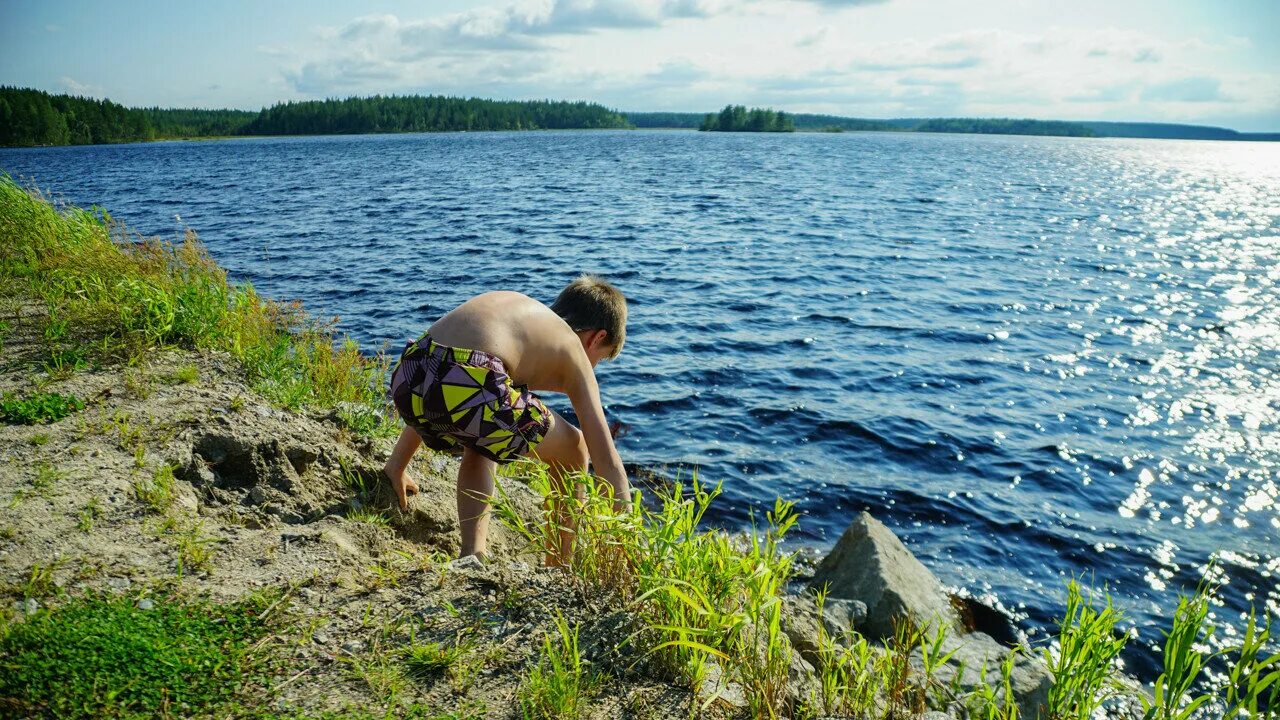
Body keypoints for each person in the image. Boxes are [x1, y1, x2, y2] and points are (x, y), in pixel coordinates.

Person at [382, 275, 630, 565]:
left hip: (410, 374)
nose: (594, 367)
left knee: (486, 433)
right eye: (600, 359)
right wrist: (625, 536)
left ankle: (472, 553)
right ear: (596, 338)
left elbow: (444, 374)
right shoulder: (573, 349)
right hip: (472, 384)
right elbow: (607, 460)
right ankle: (560, 565)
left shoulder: (524, 316)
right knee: (576, 448)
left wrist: (397, 465)